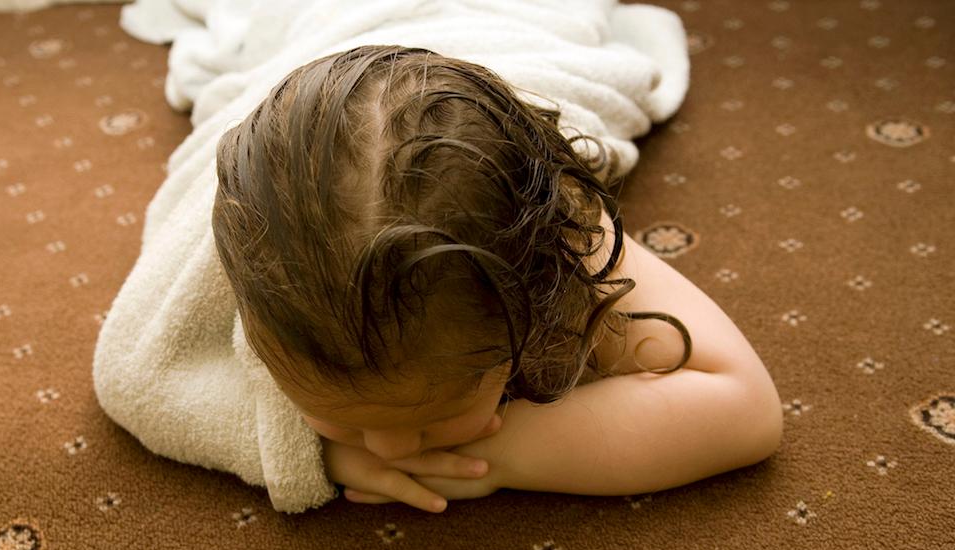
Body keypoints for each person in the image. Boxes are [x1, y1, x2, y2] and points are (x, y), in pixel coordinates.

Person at [211, 45, 784, 513]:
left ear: (538, 303)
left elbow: (744, 406)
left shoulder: (564, 234)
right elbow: (132, 373)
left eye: (430, 421)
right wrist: (314, 456)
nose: (390, 450)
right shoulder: (254, 244)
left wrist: (505, 454)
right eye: (343, 420)